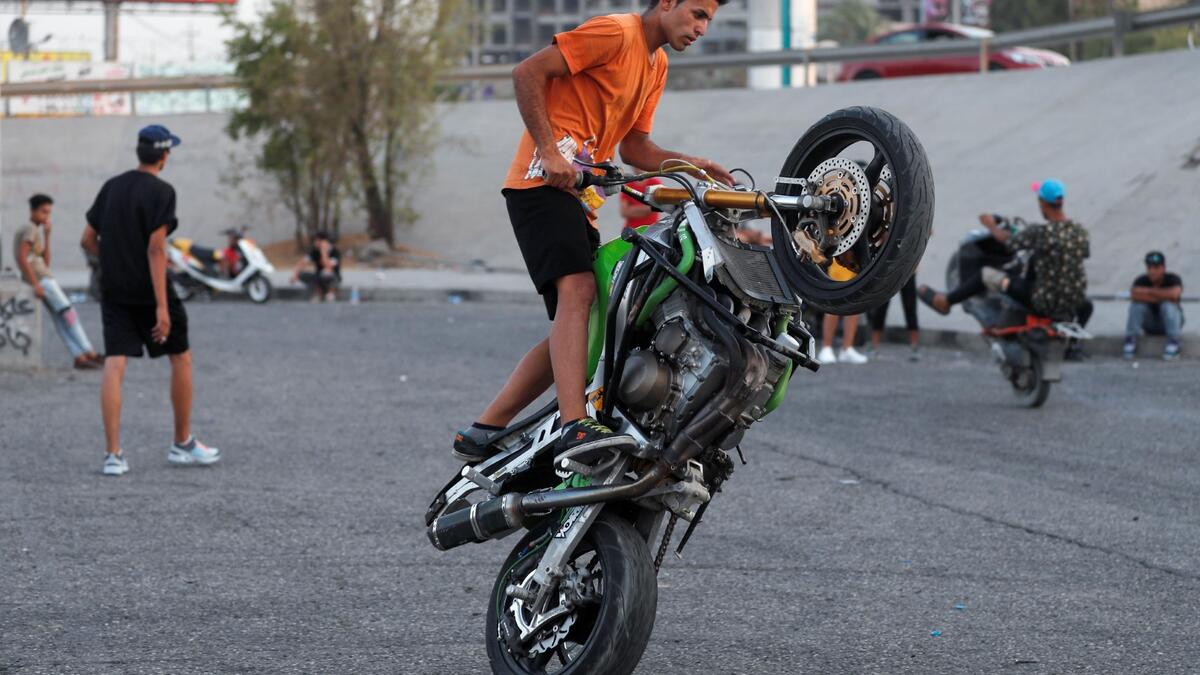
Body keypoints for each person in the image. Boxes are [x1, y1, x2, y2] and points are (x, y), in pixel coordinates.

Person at [452, 0, 735, 463]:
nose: (702, 28)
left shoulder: (656, 63)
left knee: (592, 315)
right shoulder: (616, 33)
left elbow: (636, 148)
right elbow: (527, 72)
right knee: (579, 291)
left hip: (579, 199)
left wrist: (693, 166)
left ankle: (484, 428)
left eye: (709, 19)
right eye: (698, 13)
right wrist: (548, 149)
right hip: (539, 184)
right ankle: (573, 424)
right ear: (666, 4)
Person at [80, 124, 221, 477]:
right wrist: (161, 306)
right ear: (164, 155)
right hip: (149, 290)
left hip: (114, 290)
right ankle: (182, 442)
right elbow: (156, 248)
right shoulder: (162, 192)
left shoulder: (112, 187)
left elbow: (87, 239)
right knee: (180, 357)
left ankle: (113, 455)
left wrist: (110, 264)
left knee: (115, 364)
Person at [918, 179, 1089, 323]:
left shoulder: (1041, 233)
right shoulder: (1079, 231)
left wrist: (990, 224)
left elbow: (1009, 242)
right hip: (1073, 300)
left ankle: (945, 301)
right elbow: (1080, 253)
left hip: (1043, 301)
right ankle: (1073, 346)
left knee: (987, 274)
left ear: (1043, 203)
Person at [13, 194, 103, 369]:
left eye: (49, 213)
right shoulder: (29, 229)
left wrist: (47, 236)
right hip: (44, 281)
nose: (46, 217)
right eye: (43, 212)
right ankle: (88, 351)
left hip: (43, 278)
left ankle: (79, 355)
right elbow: (21, 257)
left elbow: (45, 262)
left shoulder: (35, 231)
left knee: (61, 319)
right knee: (70, 315)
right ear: (33, 211)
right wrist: (36, 283)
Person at [1123, 250, 1184, 361]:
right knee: (1137, 306)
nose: (1152, 271)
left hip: (1170, 323)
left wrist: (1147, 292)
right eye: (1149, 268)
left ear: (1163, 268)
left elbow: (1175, 294)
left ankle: (1174, 342)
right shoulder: (1141, 280)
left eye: (1156, 268)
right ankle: (1131, 340)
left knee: (1167, 306)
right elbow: (1134, 295)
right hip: (1150, 324)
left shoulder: (1172, 279)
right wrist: (1163, 295)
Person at [867, 274, 920, 361]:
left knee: (910, 306)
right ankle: (874, 346)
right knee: (880, 307)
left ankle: (914, 347)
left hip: (908, 270)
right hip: (890, 270)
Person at [290, 231, 341, 302]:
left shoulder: (334, 252)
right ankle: (319, 294)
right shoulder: (314, 251)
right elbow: (302, 262)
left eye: (317, 240)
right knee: (302, 274)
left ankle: (331, 293)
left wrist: (323, 252)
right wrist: (295, 274)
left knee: (326, 272)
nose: (315, 242)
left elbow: (328, 266)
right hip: (319, 276)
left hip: (333, 277)